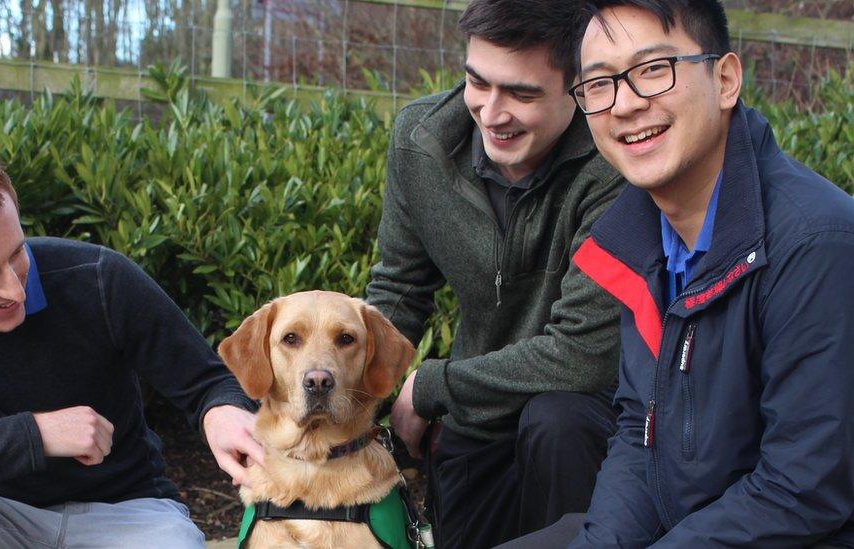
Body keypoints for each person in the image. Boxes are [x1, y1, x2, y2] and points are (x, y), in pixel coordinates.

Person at [503, 1, 854, 546]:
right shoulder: (640, 239)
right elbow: (638, 433)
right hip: (686, 523)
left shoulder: (817, 244)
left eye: (653, 70)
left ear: (725, 79)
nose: (625, 104)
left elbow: (803, 488)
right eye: (599, 84)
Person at [0, 135, 263, 547]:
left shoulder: (97, 277)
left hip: (127, 513)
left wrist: (219, 412)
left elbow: (207, 382)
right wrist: (35, 435)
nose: (14, 290)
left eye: (16, 253)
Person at [365, 1, 625, 546]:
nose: (491, 112)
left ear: (579, 87)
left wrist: (433, 386)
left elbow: (584, 354)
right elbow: (400, 290)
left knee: (558, 421)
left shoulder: (613, 167)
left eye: (522, 94)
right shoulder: (422, 141)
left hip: (580, 424)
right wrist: (352, 397)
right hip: (476, 419)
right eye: (476, 82)